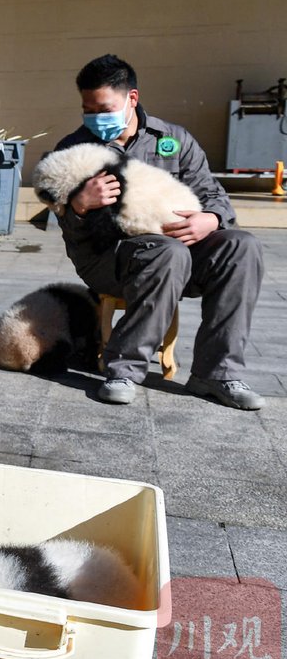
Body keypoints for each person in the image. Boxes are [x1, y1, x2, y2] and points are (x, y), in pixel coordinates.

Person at [50, 54, 264, 409]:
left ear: (131, 98)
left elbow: (213, 195)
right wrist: (79, 205)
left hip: (180, 252)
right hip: (109, 260)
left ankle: (217, 373)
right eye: (88, 110)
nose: (95, 118)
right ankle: (124, 371)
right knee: (166, 251)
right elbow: (67, 228)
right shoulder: (74, 150)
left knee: (241, 246)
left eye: (104, 109)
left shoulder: (174, 139)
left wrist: (211, 218)